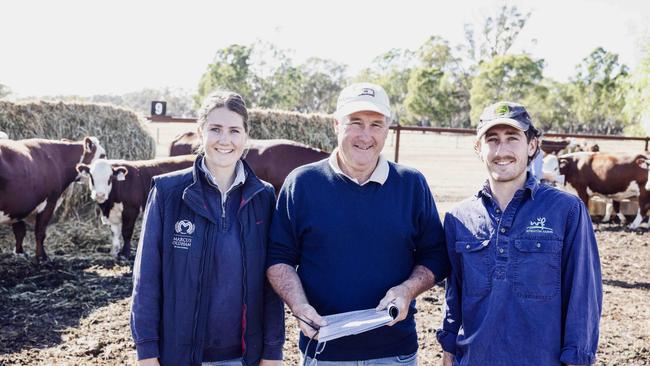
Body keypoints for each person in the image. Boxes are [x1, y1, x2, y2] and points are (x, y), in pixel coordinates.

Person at [266, 82, 450, 365]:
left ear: (387, 128)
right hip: (324, 349)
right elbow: (279, 258)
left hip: (395, 352)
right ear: (336, 125)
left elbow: (435, 256)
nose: (366, 135)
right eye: (356, 122)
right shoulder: (302, 184)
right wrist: (299, 306)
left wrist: (407, 290)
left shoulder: (411, 184)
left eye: (376, 124)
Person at [436, 101, 602, 366]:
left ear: (532, 145)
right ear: (479, 148)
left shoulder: (566, 210)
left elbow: (583, 295)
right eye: (493, 140)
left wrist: (578, 359)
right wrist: (448, 349)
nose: (502, 150)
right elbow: (454, 295)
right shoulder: (459, 217)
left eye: (512, 138)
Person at [130, 91, 284, 366]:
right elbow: (147, 280)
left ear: (245, 136)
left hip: (243, 357)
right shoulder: (168, 193)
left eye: (234, 130)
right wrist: (146, 352)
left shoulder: (263, 197)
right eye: (215, 129)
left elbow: (271, 282)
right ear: (200, 132)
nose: (224, 140)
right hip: (179, 356)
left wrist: (272, 352)